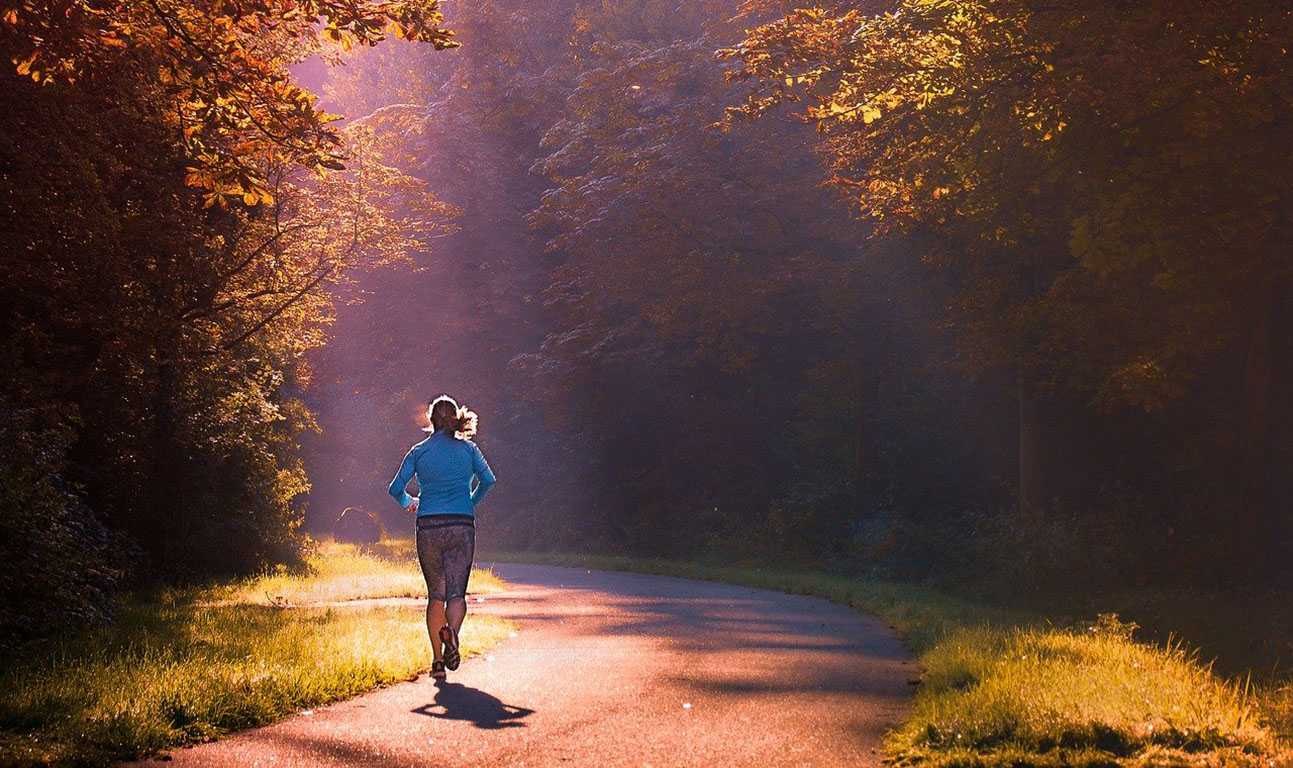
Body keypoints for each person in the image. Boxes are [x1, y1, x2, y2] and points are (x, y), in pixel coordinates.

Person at [388, 394, 496, 680]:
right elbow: (489, 480)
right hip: (461, 525)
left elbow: (395, 488)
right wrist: (470, 500)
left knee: (436, 595)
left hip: (429, 525)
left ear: (431, 420)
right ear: (454, 419)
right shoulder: (469, 450)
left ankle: (437, 662)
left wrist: (409, 501)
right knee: (457, 594)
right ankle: (453, 637)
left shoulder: (418, 452)